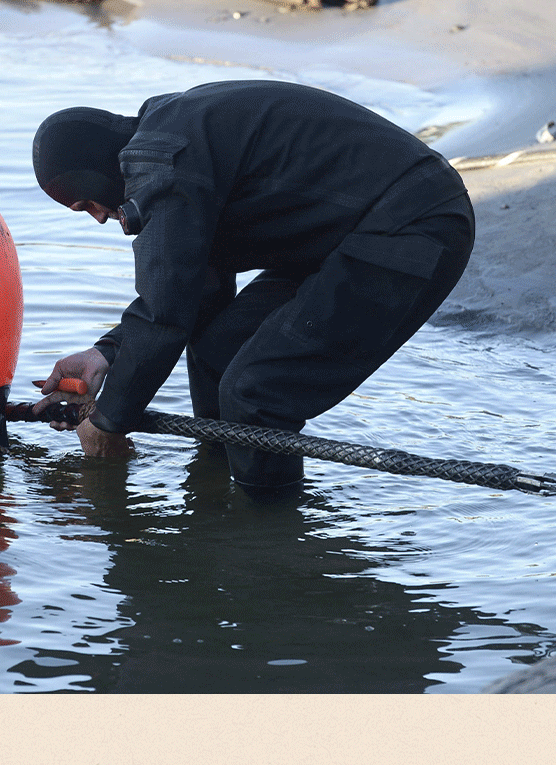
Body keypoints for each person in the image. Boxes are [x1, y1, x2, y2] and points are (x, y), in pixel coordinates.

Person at [31, 81, 475, 489]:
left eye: (87, 203)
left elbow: (165, 312)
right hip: (346, 234)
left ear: (95, 172)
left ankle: (265, 539)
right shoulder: (170, 142)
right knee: (217, 351)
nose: (101, 217)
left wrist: (108, 420)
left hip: (413, 223)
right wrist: (106, 352)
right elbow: (188, 290)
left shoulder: (159, 162)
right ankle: (215, 490)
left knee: (256, 391)